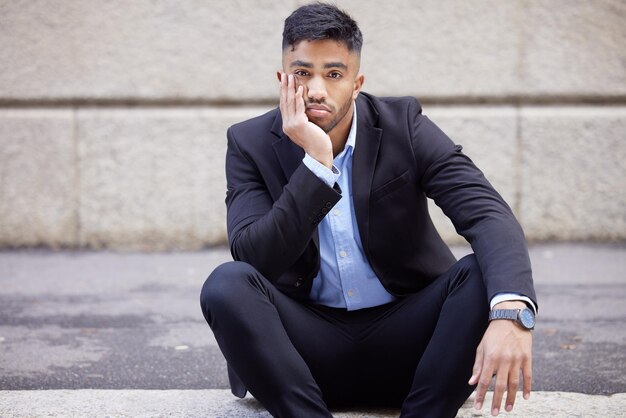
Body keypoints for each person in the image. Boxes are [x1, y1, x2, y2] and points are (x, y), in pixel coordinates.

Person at [200, 3, 537, 417]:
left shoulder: (404, 125)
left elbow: (487, 213)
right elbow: (254, 257)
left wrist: (511, 315)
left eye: (334, 74)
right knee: (227, 283)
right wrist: (317, 165)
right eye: (302, 73)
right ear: (283, 78)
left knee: (480, 273)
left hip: (412, 350)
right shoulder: (249, 143)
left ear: (356, 83)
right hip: (304, 356)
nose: (317, 89)